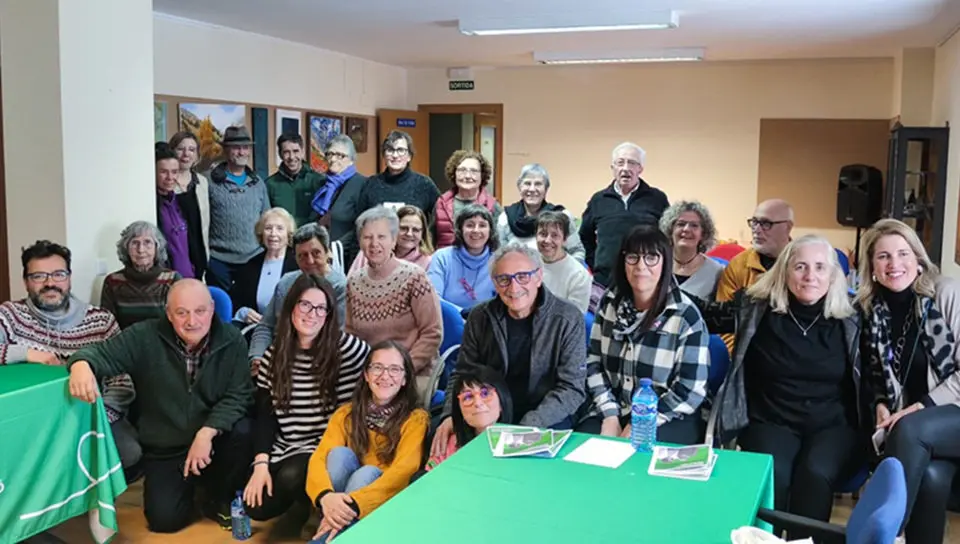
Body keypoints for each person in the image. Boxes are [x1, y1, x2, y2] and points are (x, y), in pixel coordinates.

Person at [67, 279, 254, 533]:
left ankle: (216, 495)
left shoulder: (232, 340)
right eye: (181, 312)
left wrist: (208, 431)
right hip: (166, 446)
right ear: (168, 313)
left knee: (243, 431)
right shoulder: (143, 336)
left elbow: (239, 395)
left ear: (212, 309)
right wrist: (80, 365)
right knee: (164, 521)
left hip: (214, 440)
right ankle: (190, 484)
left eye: (200, 311)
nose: (192, 321)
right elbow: (99, 354)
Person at [707, 235, 865, 533]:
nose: (810, 276)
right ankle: (765, 540)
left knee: (815, 473)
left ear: (833, 275)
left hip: (833, 423)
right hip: (770, 419)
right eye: (800, 267)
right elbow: (702, 315)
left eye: (820, 267)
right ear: (784, 270)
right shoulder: (755, 308)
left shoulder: (853, 317)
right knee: (774, 471)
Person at [857, 219, 960, 544]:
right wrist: (881, 404)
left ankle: (887, 535)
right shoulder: (872, 309)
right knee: (931, 478)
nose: (894, 264)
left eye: (903, 253)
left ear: (918, 258)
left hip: (947, 413)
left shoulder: (946, 293)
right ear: (872, 266)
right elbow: (876, 374)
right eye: (883, 256)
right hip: (921, 432)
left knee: (911, 428)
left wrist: (919, 407)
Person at [431, 243, 586, 459]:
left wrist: (528, 425)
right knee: (442, 443)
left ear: (538, 277)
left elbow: (572, 388)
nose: (513, 288)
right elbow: (462, 373)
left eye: (523, 276)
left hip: (546, 416)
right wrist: (451, 414)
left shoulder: (567, 318)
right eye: (504, 279)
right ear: (494, 283)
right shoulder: (480, 317)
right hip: (490, 413)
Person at [243, 274, 370, 527]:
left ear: (329, 315)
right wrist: (260, 464)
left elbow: (375, 381)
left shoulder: (349, 350)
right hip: (286, 444)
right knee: (255, 506)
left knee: (292, 476)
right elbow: (266, 417)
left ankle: (313, 506)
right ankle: (301, 503)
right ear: (291, 308)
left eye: (321, 308)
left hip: (327, 447)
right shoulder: (274, 354)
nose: (312, 314)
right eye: (305, 305)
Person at [1, 240, 139, 470]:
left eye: (58, 274)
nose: (50, 283)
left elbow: (123, 381)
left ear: (69, 278)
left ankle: (94, 504)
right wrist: (26, 352)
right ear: (26, 282)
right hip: (30, 418)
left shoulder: (101, 321)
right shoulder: (10, 315)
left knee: (128, 451)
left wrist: (98, 415)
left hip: (92, 413)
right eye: (39, 276)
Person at [578, 226, 710, 445]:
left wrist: (638, 424)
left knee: (637, 460)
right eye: (633, 257)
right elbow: (593, 362)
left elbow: (690, 389)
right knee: (584, 455)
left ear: (665, 263)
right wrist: (610, 414)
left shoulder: (685, 315)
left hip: (668, 415)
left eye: (651, 257)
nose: (641, 266)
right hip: (614, 407)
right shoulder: (609, 304)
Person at [305, 341, 429, 543]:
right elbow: (319, 458)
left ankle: (328, 534)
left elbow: (404, 471)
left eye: (395, 369)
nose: (385, 376)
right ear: (366, 375)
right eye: (377, 367)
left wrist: (354, 504)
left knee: (367, 472)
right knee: (338, 454)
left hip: (381, 502)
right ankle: (332, 526)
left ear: (405, 379)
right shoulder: (346, 413)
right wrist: (325, 497)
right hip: (338, 501)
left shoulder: (415, 419)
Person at [345, 206, 442, 392]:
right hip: (370, 376)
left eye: (381, 237)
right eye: (367, 237)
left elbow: (433, 333)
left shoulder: (415, 277)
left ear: (393, 240)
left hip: (413, 373)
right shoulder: (354, 282)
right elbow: (351, 337)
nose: (374, 244)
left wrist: (400, 372)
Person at [248, 224, 348, 367]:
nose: (310, 261)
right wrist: (258, 357)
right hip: (277, 357)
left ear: (328, 253)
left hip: (319, 362)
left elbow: (335, 336)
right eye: (302, 256)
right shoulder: (285, 283)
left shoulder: (340, 287)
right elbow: (266, 326)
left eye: (316, 253)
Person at [579, 143, 669, 287]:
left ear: (640, 169)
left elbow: (667, 238)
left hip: (645, 280)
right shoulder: (599, 200)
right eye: (620, 163)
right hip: (605, 282)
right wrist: (595, 262)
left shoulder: (657, 198)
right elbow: (584, 236)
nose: (626, 168)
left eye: (632, 163)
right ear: (613, 168)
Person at [715, 199, 795, 351]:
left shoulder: (801, 265)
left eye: (766, 224)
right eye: (754, 222)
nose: (757, 230)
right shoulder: (739, 264)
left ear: (787, 227)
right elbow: (725, 325)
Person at [206, 126, 271, 291]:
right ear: (226, 150)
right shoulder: (209, 182)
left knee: (249, 311)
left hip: (253, 259)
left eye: (245, 147)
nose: (242, 152)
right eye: (236, 147)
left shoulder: (258, 183)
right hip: (218, 261)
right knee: (222, 310)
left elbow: (266, 220)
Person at [425, 365, 513, 470]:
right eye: (468, 397)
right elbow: (431, 482)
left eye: (485, 393)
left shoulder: (519, 445)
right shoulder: (447, 446)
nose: (478, 403)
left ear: (502, 401)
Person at [101, 221, 182, 329]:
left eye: (147, 242)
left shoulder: (172, 280)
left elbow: (180, 321)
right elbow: (108, 326)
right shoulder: (113, 282)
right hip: (125, 343)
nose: (141, 250)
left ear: (157, 247)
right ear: (126, 249)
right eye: (135, 243)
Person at [497, 163, 584, 261]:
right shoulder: (505, 219)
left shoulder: (562, 217)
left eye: (538, 184)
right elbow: (500, 257)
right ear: (519, 187)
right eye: (527, 183)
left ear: (546, 189)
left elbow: (577, 252)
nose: (532, 189)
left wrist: (568, 273)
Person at [230, 208, 298, 327]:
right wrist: (243, 312)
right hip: (256, 329)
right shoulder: (251, 265)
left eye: (280, 228)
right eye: (268, 228)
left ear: (289, 234)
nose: (273, 234)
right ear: (261, 234)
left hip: (291, 330)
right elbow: (235, 300)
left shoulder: (299, 264)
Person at [426, 203, 498, 310]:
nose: (476, 230)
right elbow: (433, 298)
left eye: (482, 225)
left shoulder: (498, 262)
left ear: (490, 231)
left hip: (486, 323)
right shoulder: (442, 258)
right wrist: (461, 313)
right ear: (460, 229)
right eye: (470, 225)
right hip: (449, 321)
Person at [354, 130, 440, 220]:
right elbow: (360, 222)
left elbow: (441, 218)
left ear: (409, 156)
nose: (395, 155)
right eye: (390, 150)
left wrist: (427, 233)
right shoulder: (371, 184)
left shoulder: (424, 184)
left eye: (401, 150)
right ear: (384, 155)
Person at [314, 135, 367, 270]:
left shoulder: (362, 184)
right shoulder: (322, 184)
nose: (332, 159)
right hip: (320, 255)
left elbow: (362, 225)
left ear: (351, 160)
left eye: (340, 155)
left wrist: (336, 248)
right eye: (330, 154)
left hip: (346, 257)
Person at [155, 143, 206, 279]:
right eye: (163, 172)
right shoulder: (152, 207)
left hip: (190, 277)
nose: (170, 177)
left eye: (174, 171)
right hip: (165, 281)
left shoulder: (182, 202)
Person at [434, 150, 502, 248]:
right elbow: (430, 239)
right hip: (446, 261)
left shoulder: (492, 205)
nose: (467, 176)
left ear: (482, 175)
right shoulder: (441, 203)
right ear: (454, 173)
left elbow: (498, 243)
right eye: (462, 170)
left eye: (474, 171)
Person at [659, 200, 724, 300]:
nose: (686, 229)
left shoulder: (717, 272)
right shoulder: (656, 265)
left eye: (694, 225)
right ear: (670, 230)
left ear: (703, 234)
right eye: (681, 224)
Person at [348, 205, 433, 274]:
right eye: (403, 228)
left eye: (416, 230)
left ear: (423, 233)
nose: (409, 234)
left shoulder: (428, 261)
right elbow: (350, 283)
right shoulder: (371, 248)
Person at [266, 133, 326, 226]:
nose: (291, 157)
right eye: (286, 152)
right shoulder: (270, 184)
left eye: (296, 151)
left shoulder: (319, 181)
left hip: (310, 237)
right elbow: (267, 218)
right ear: (280, 154)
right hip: (282, 238)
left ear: (302, 152)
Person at [536, 211, 591, 313]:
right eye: (543, 234)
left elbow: (574, 319)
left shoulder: (579, 275)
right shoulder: (529, 265)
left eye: (555, 235)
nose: (547, 240)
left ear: (565, 239)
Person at [169, 131, 210, 254]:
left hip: (199, 251)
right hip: (173, 252)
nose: (186, 154)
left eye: (192, 149)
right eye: (180, 149)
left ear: (197, 155)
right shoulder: (166, 182)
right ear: (172, 151)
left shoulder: (202, 182)